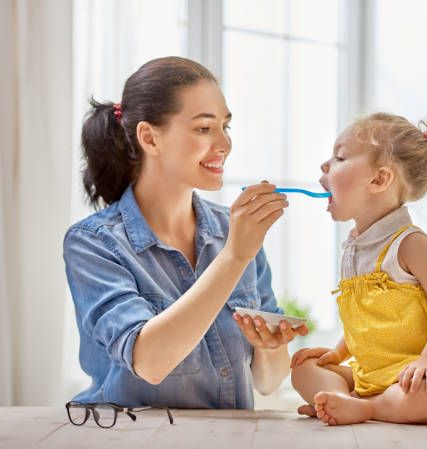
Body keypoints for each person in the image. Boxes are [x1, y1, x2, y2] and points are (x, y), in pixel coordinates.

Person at [63, 56, 307, 409]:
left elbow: (267, 382)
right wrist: (234, 257)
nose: (224, 144)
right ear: (149, 137)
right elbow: (149, 362)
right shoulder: (93, 243)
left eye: (226, 126)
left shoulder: (233, 231)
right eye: (204, 129)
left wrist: (273, 346)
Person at [290, 113, 427, 425]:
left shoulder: (411, 244)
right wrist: (337, 354)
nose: (325, 165)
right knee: (303, 370)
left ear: (379, 180)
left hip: (420, 374)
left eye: (339, 157)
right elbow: (367, 320)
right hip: (373, 375)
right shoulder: (354, 248)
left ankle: (367, 408)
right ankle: (343, 402)